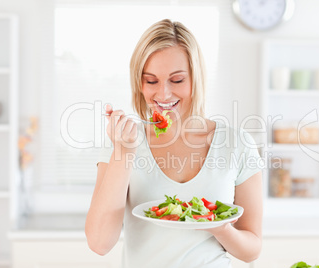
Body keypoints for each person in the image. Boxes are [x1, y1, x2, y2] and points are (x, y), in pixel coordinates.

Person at [85, 19, 263, 268]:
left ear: (196, 79)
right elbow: (99, 243)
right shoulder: (123, 141)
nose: (164, 94)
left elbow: (252, 249)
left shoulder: (237, 143)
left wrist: (221, 229)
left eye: (177, 80)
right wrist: (124, 152)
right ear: (139, 83)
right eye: (151, 81)